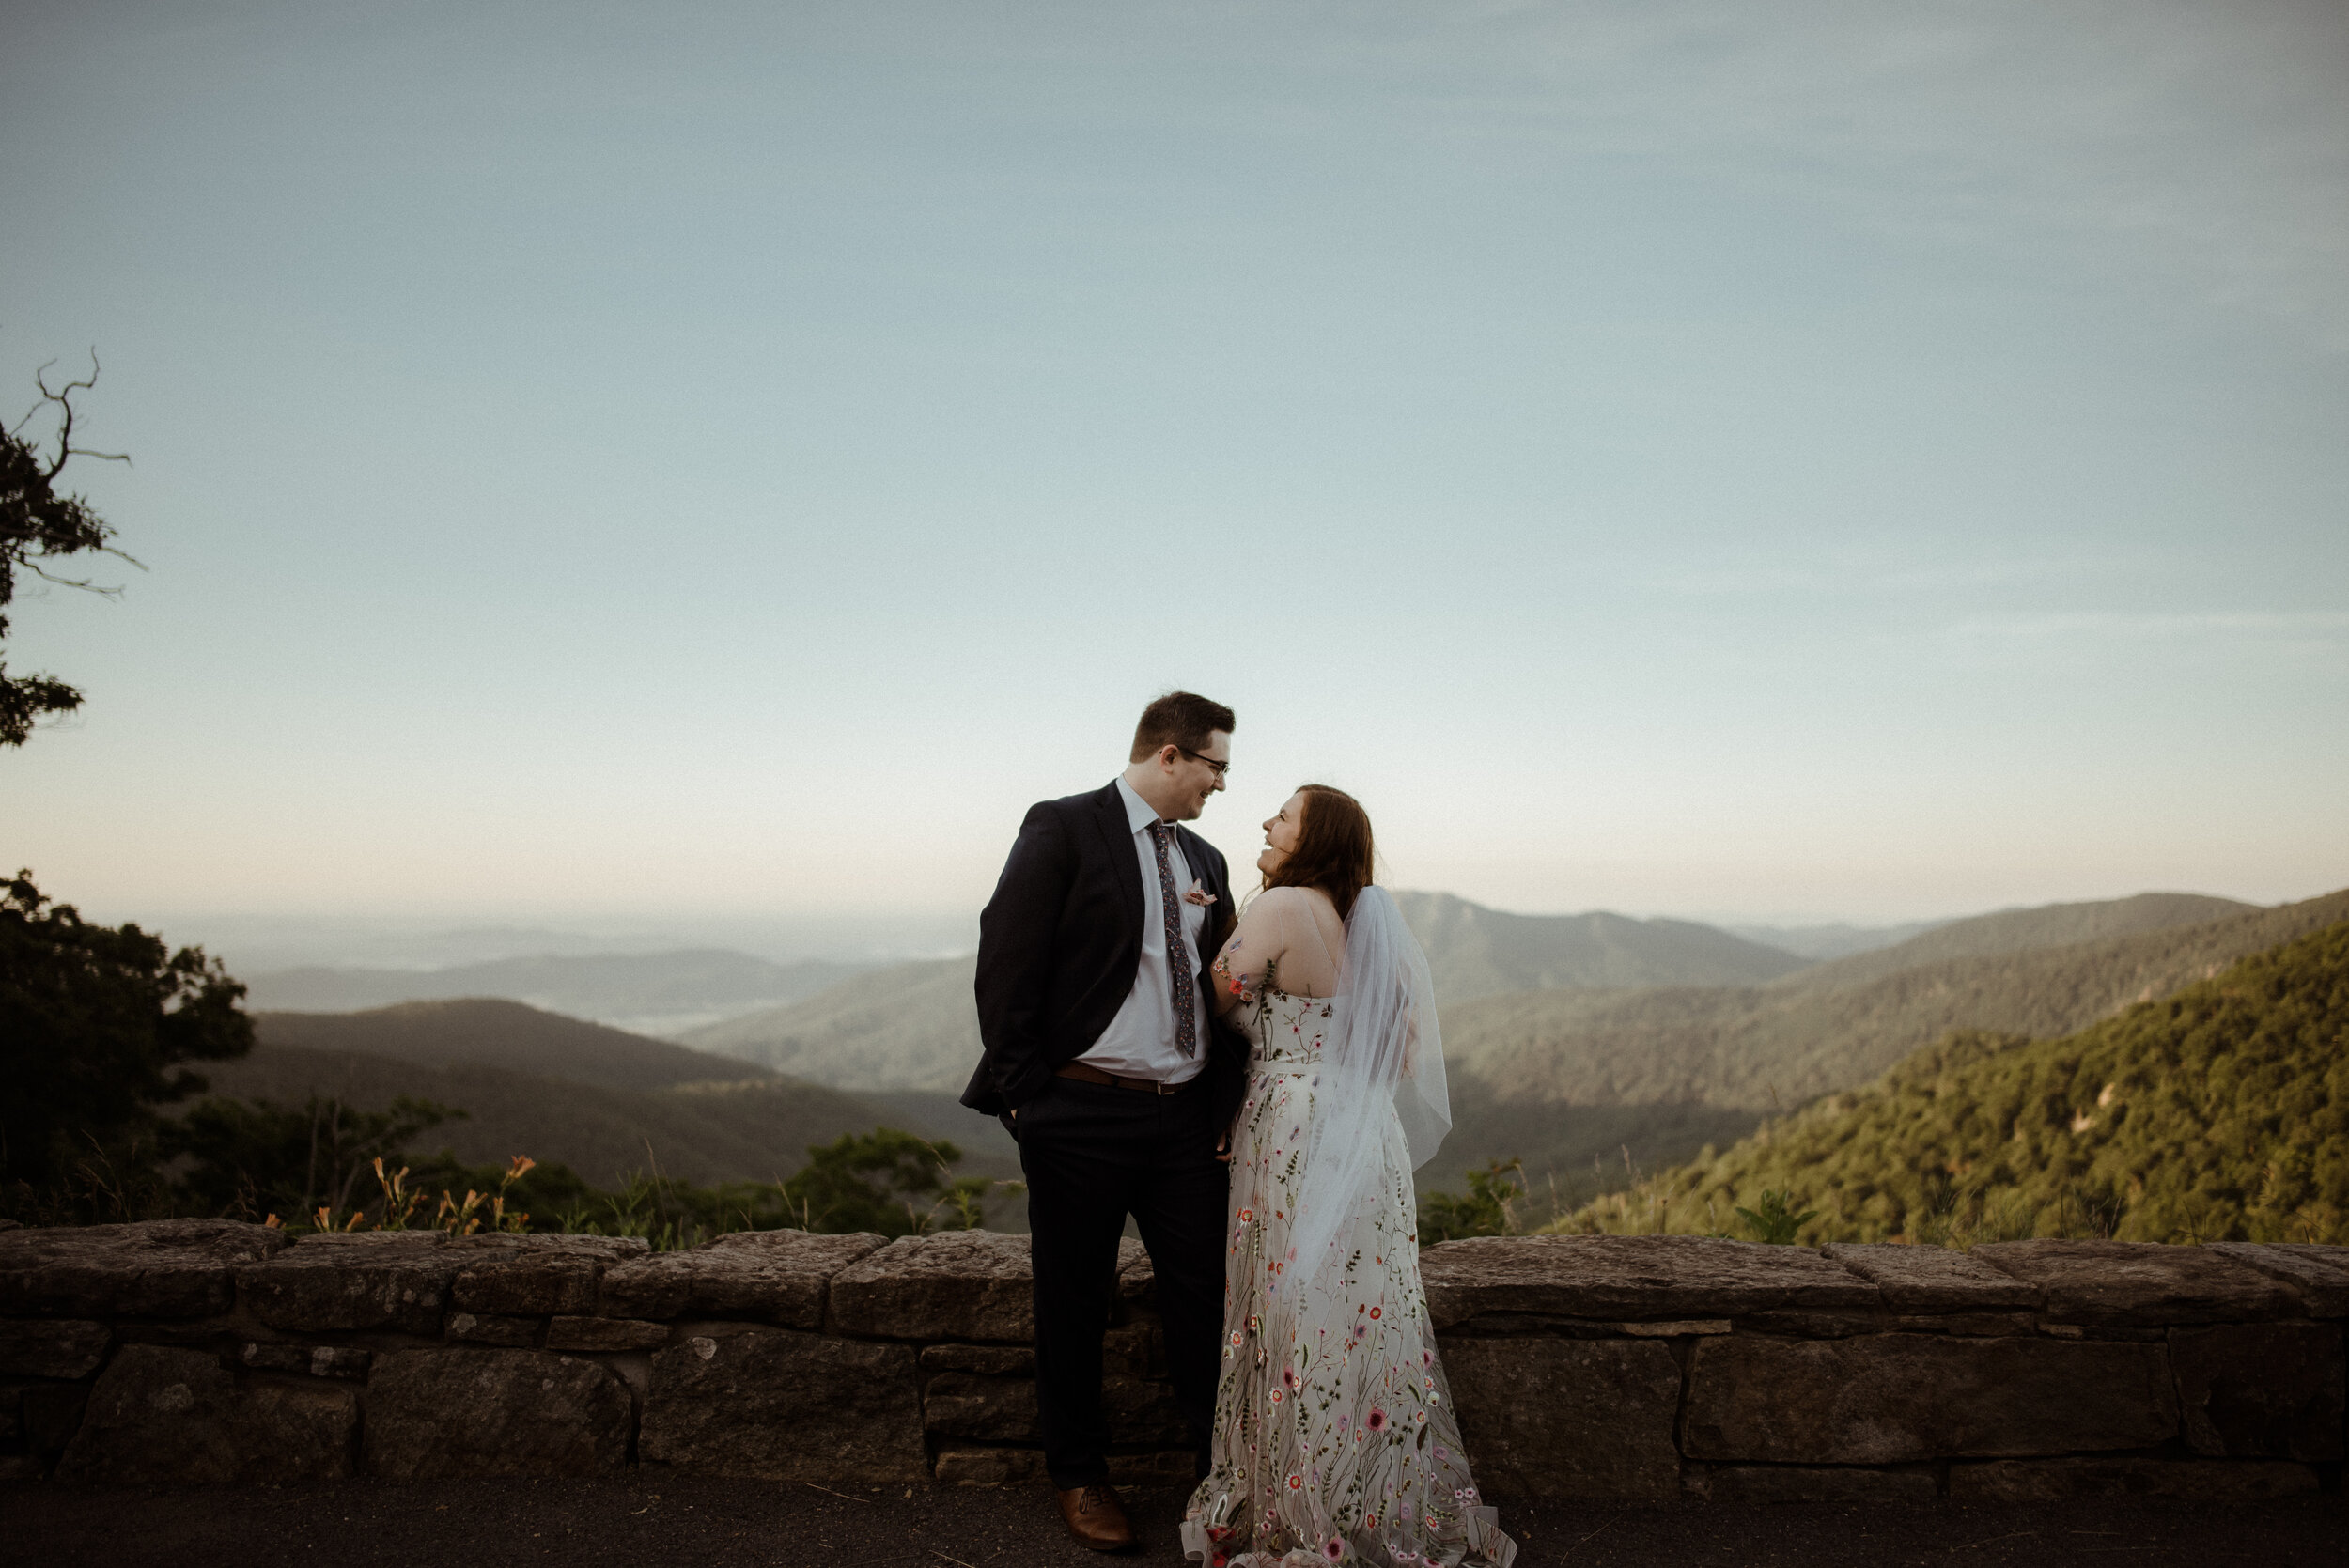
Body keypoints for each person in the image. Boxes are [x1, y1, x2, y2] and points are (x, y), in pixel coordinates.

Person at [1181, 785, 1517, 1568]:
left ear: (1313, 838)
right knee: (1359, 1314)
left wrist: (1203, 925)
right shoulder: (1362, 922)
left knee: (1293, 1310)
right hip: (1363, 1134)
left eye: (1283, 816)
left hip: (1292, 1126)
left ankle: (1303, 1504)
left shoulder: (1281, 906)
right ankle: (1370, 1493)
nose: (1267, 823)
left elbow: (1210, 999)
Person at [965, 691, 1252, 1552]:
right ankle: (1078, 1474)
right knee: (1073, 1298)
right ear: (1169, 755)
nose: (1222, 785)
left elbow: (1227, 988)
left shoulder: (1207, 856)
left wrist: (1226, 1101)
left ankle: (1222, 1476)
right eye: (1216, 766)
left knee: (1207, 1298)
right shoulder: (1062, 827)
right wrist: (1027, 1100)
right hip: (1077, 1113)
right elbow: (1004, 956)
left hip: (1187, 1123)